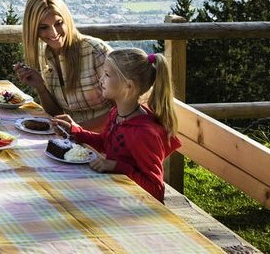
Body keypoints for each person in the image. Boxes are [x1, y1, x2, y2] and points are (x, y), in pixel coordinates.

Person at [52, 48, 181, 202]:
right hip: (114, 194)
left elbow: (155, 189)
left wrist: (116, 166)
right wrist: (75, 131)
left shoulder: (144, 133)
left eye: (107, 75)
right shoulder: (116, 114)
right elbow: (106, 143)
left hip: (134, 209)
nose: (100, 80)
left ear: (129, 86)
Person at [14, 0, 113, 130]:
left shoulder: (96, 52)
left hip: (107, 139)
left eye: (58, 23)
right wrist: (41, 87)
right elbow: (57, 114)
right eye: (44, 27)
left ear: (67, 19)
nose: (53, 33)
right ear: (33, 29)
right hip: (72, 140)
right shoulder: (45, 55)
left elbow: (126, 110)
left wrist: (78, 130)